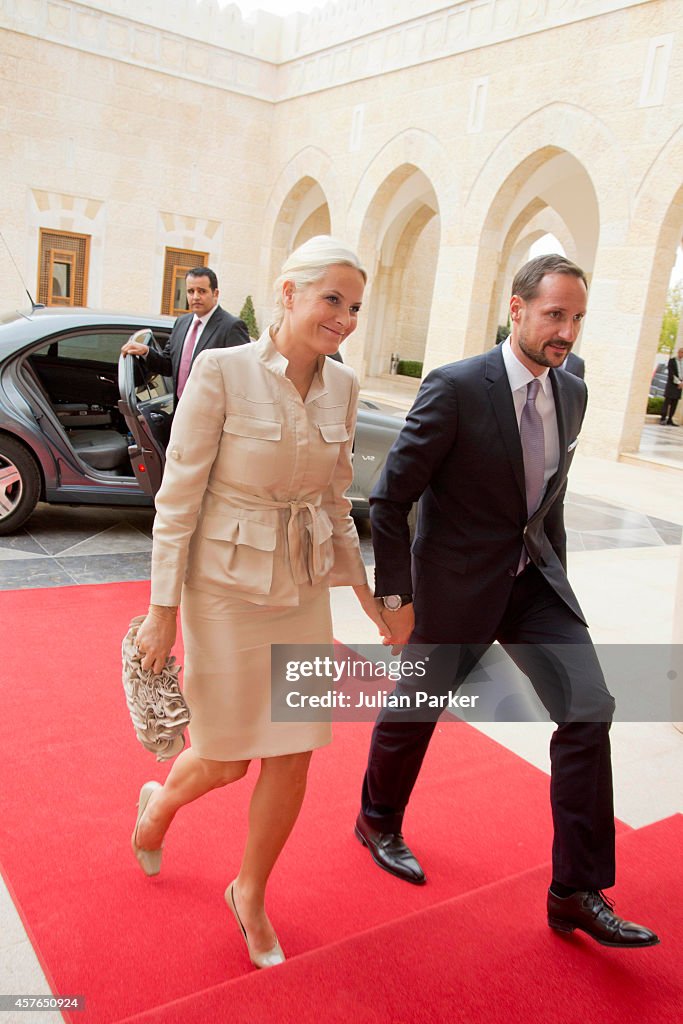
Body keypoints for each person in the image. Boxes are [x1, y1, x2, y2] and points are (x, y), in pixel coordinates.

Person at [356, 254, 659, 949]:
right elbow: (390, 498)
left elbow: (544, 501)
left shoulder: (572, 389)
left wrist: (558, 577)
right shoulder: (456, 387)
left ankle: (575, 891)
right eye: (554, 314)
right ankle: (377, 818)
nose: (566, 331)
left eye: (576, 317)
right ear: (516, 308)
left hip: (533, 587)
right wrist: (396, 600)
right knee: (415, 709)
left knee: (590, 707)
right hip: (457, 584)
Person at [130, 236, 388, 968]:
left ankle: (249, 891)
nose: (343, 317)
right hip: (224, 587)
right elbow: (177, 497)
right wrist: (161, 608)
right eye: (331, 299)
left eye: (355, 306)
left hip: (301, 586)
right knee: (224, 757)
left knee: (295, 752)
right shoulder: (221, 371)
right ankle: (158, 806)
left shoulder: (343, 386)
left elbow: (336, 501)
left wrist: (365, 597)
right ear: (287, 292)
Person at [121, 267, 249, 401]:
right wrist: (146, 351)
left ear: (215, 293)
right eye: (190, 291)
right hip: (180, 410)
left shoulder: (231, 327)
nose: (196, 297)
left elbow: (240, 379)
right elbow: (168, 366)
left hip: (212, 416)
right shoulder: (182, 323)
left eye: (202, 291)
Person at [660, 346, 683, 425]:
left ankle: (670, 419)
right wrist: (678, 382)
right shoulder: (672, 361)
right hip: (672, 385)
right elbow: (671, 373)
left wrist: (681, 383)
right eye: (681, 352)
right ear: (678, 352)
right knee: (667, 402)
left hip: (679, 386)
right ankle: (663, 418)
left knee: (674, 403)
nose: (682, 354)